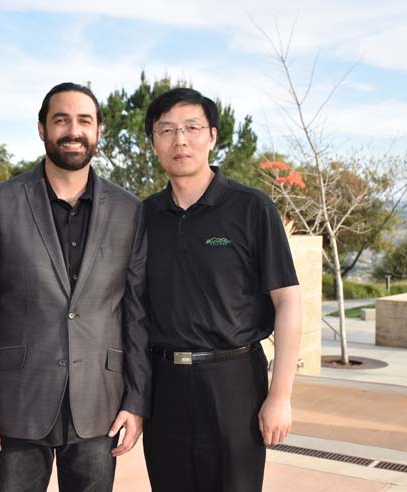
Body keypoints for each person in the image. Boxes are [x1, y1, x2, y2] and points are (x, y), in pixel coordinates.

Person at [0, 82, 150, 492]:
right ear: (42, 129)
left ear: (98, 131)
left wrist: (136, 401)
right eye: (61, 120)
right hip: (15, 404)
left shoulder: (130, 210)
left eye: (84, 121)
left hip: (100, 403)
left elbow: (136, 313)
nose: (73, 131)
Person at [142, 87, 302, 492]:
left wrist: (280, 396)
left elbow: (288, 301)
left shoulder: (252, 208)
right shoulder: (143, 216)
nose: (180, 140)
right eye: (167, 130)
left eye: (192, 127)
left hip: (234, 384)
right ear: (154, 142)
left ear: (212, 136)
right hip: (163, 386)